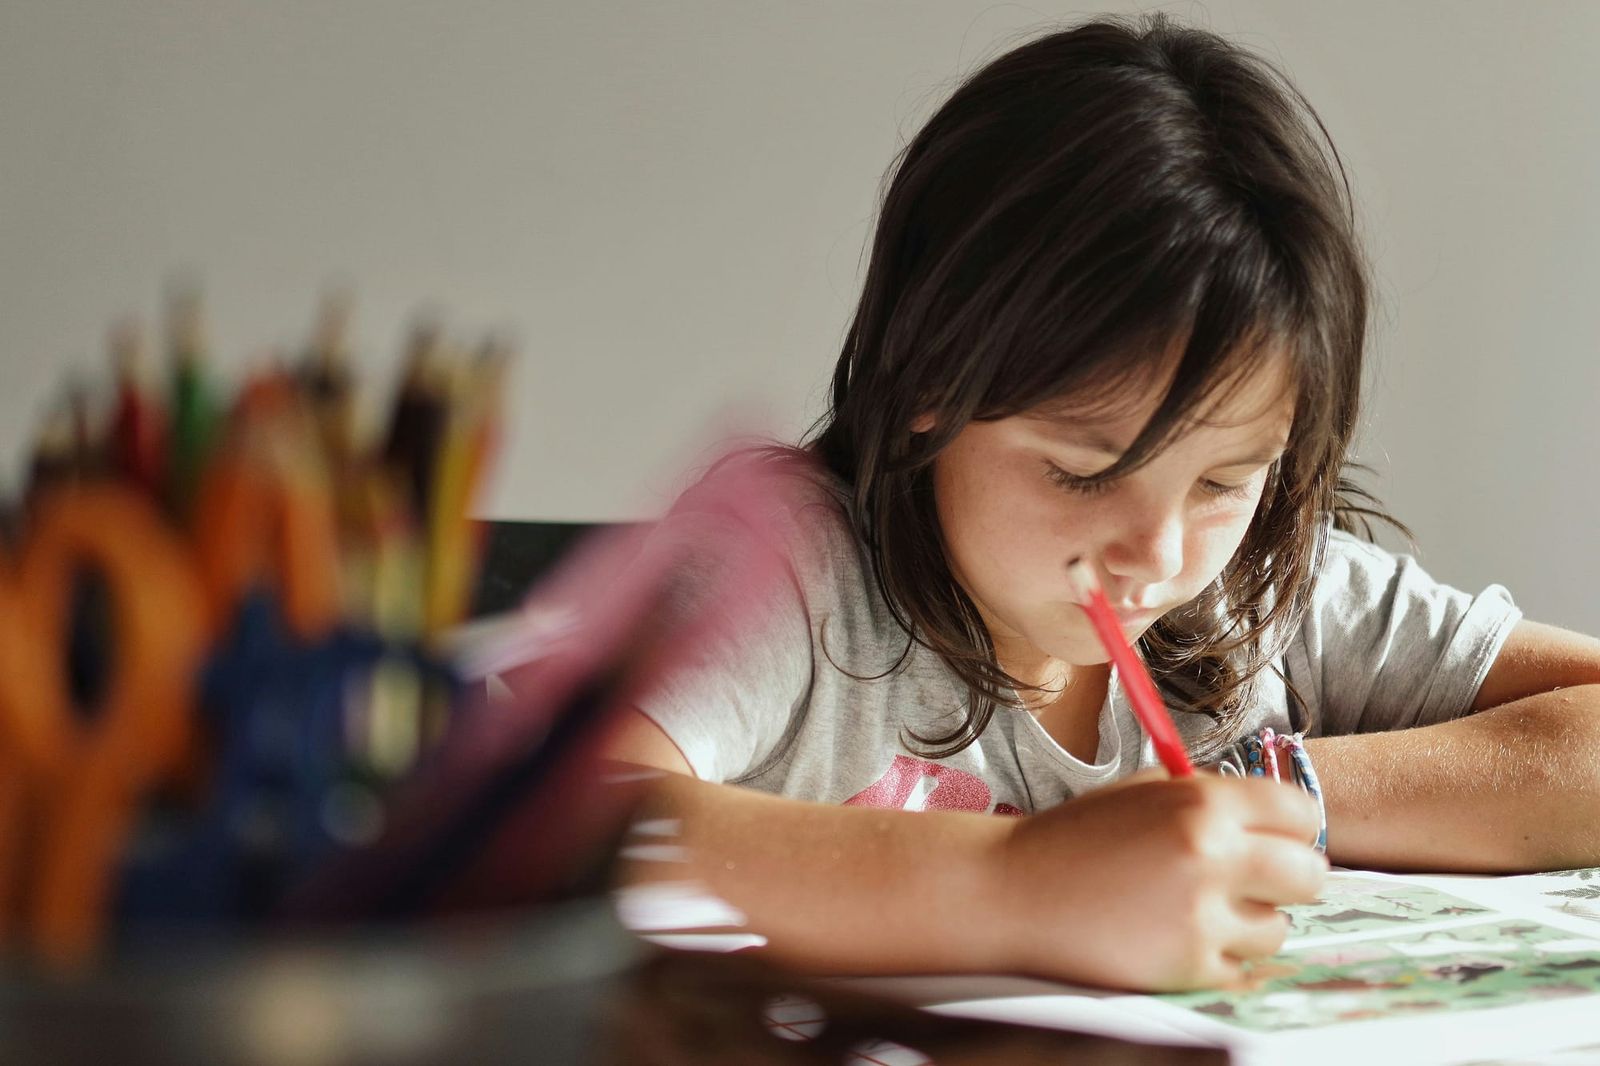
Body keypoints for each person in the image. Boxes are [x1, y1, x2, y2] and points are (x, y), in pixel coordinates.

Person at [599, 12, 1600, 992]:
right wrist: (1016, 883)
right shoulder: (785, 567)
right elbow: (563, 826)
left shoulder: (1262, 586)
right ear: (927, 386)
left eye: (1223, 480)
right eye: (1084, 471)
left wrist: (1266, 798)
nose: (1158, 554)